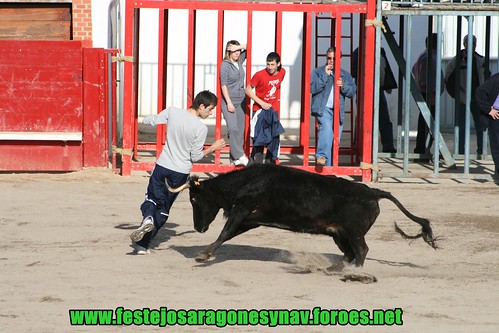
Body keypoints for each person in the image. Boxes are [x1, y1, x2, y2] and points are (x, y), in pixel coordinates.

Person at [130, 91, 226, 254]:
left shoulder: (173, 112)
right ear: (201, 106)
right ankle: (143, 245)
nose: (210, 113)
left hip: (162, 166)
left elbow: (151, 120)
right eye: (210, 109)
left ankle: (147, 219)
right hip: (180, 173)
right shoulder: (200, 128)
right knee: (164, 208)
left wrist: (143, 118)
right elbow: (195, 156)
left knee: (152, 199)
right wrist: (212, 148)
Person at [311, 47, 356, 166]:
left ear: (340, 59)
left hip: (338, 110)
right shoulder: (318, 72)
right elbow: (312, 88)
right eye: (329, 58)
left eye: (334, 58)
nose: (331, 61)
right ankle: (321, 155)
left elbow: (352, 92)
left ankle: (329, 170)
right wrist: (325, 76)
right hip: (323, 109)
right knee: (326, 129)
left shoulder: (345, 75)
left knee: (334, 141)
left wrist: (343, 85)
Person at [445, 35, 489, 156]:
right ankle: (460, 152)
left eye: (474, 43)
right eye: (469, 43)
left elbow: (487, 78)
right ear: (464, 44)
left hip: (477, 99)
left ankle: (481, 152)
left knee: (481, 126)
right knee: (461, 127)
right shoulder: (456, 61)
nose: (472, 46)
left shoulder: (481, 61)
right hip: (463, 99)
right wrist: (457, 94)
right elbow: (448, 79)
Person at [353, 47, 398, 153]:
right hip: (364, 89)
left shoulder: (381, 51)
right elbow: (354, 71)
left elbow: (385, 68)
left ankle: (388, 145)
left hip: (378, 89)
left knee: (384, 118)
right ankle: (357, 144)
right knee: (362, 117)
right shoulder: (358, 52)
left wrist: (387, 85)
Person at [245, 51, 286, 164]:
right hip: (259, 111)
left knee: (273, 141)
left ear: (278, 64)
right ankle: (254, 168)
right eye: (268, 64)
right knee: (259, 141)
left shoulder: (282, 72)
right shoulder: (259, 75)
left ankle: (270, 168)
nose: (269, 67)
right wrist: (261, 103)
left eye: (272, 64)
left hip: (273, 111)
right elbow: (248, 90)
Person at [412, 33, 445, 160]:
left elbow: (414, 69)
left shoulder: (428, 56)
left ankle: (424, 150)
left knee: (427, 124)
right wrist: (430, 92)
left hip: (429, 94)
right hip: (429, 95)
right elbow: (424, 79)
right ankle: (422, 151)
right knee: (428, 125)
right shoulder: (428, 57)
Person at [220, 40, 249, 166]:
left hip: (241, 101)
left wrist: (238, 47)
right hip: (229, 101)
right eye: (234, 51)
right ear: (228, 51)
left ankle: (234, 159)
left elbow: (249, 46)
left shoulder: (240, 61)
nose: (237, 53)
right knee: (232, 129)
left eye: (239, 51)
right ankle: (239, 155)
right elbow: (223, 85)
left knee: (240, 131)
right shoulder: (225, 64)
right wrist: (229, 102)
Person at [475, 72, 499, 185]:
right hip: (496, 116)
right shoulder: (496, 79)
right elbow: (480, 92)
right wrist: (489, 110)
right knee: (497, 147)